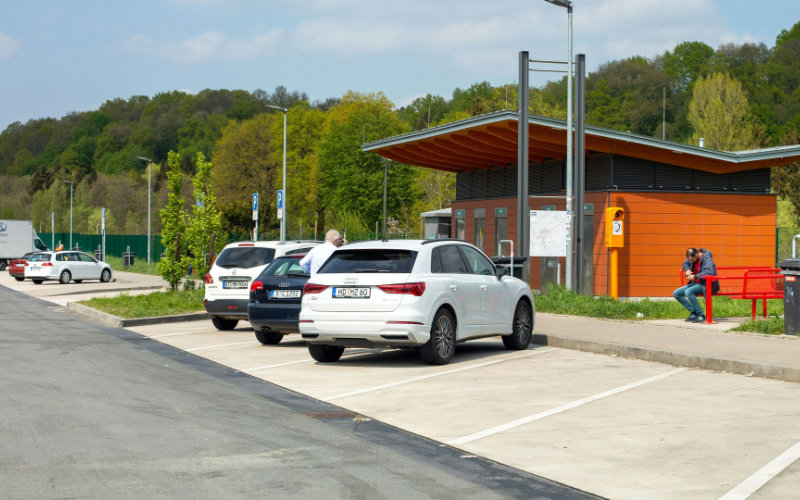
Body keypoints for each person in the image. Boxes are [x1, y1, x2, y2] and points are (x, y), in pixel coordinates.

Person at [673, 247, 705, 322]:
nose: (691, 261)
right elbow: (684, 263)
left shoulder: (704, 260)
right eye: (690, 259)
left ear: (696, 255)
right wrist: (687, 270)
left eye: (692, 259)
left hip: (702, 284)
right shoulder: (691, 260)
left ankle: (700, 314)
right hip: (693, 283)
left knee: (688, 291)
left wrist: (695, 276)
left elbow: (707, 272)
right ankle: (693, 312)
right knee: (676, 293)